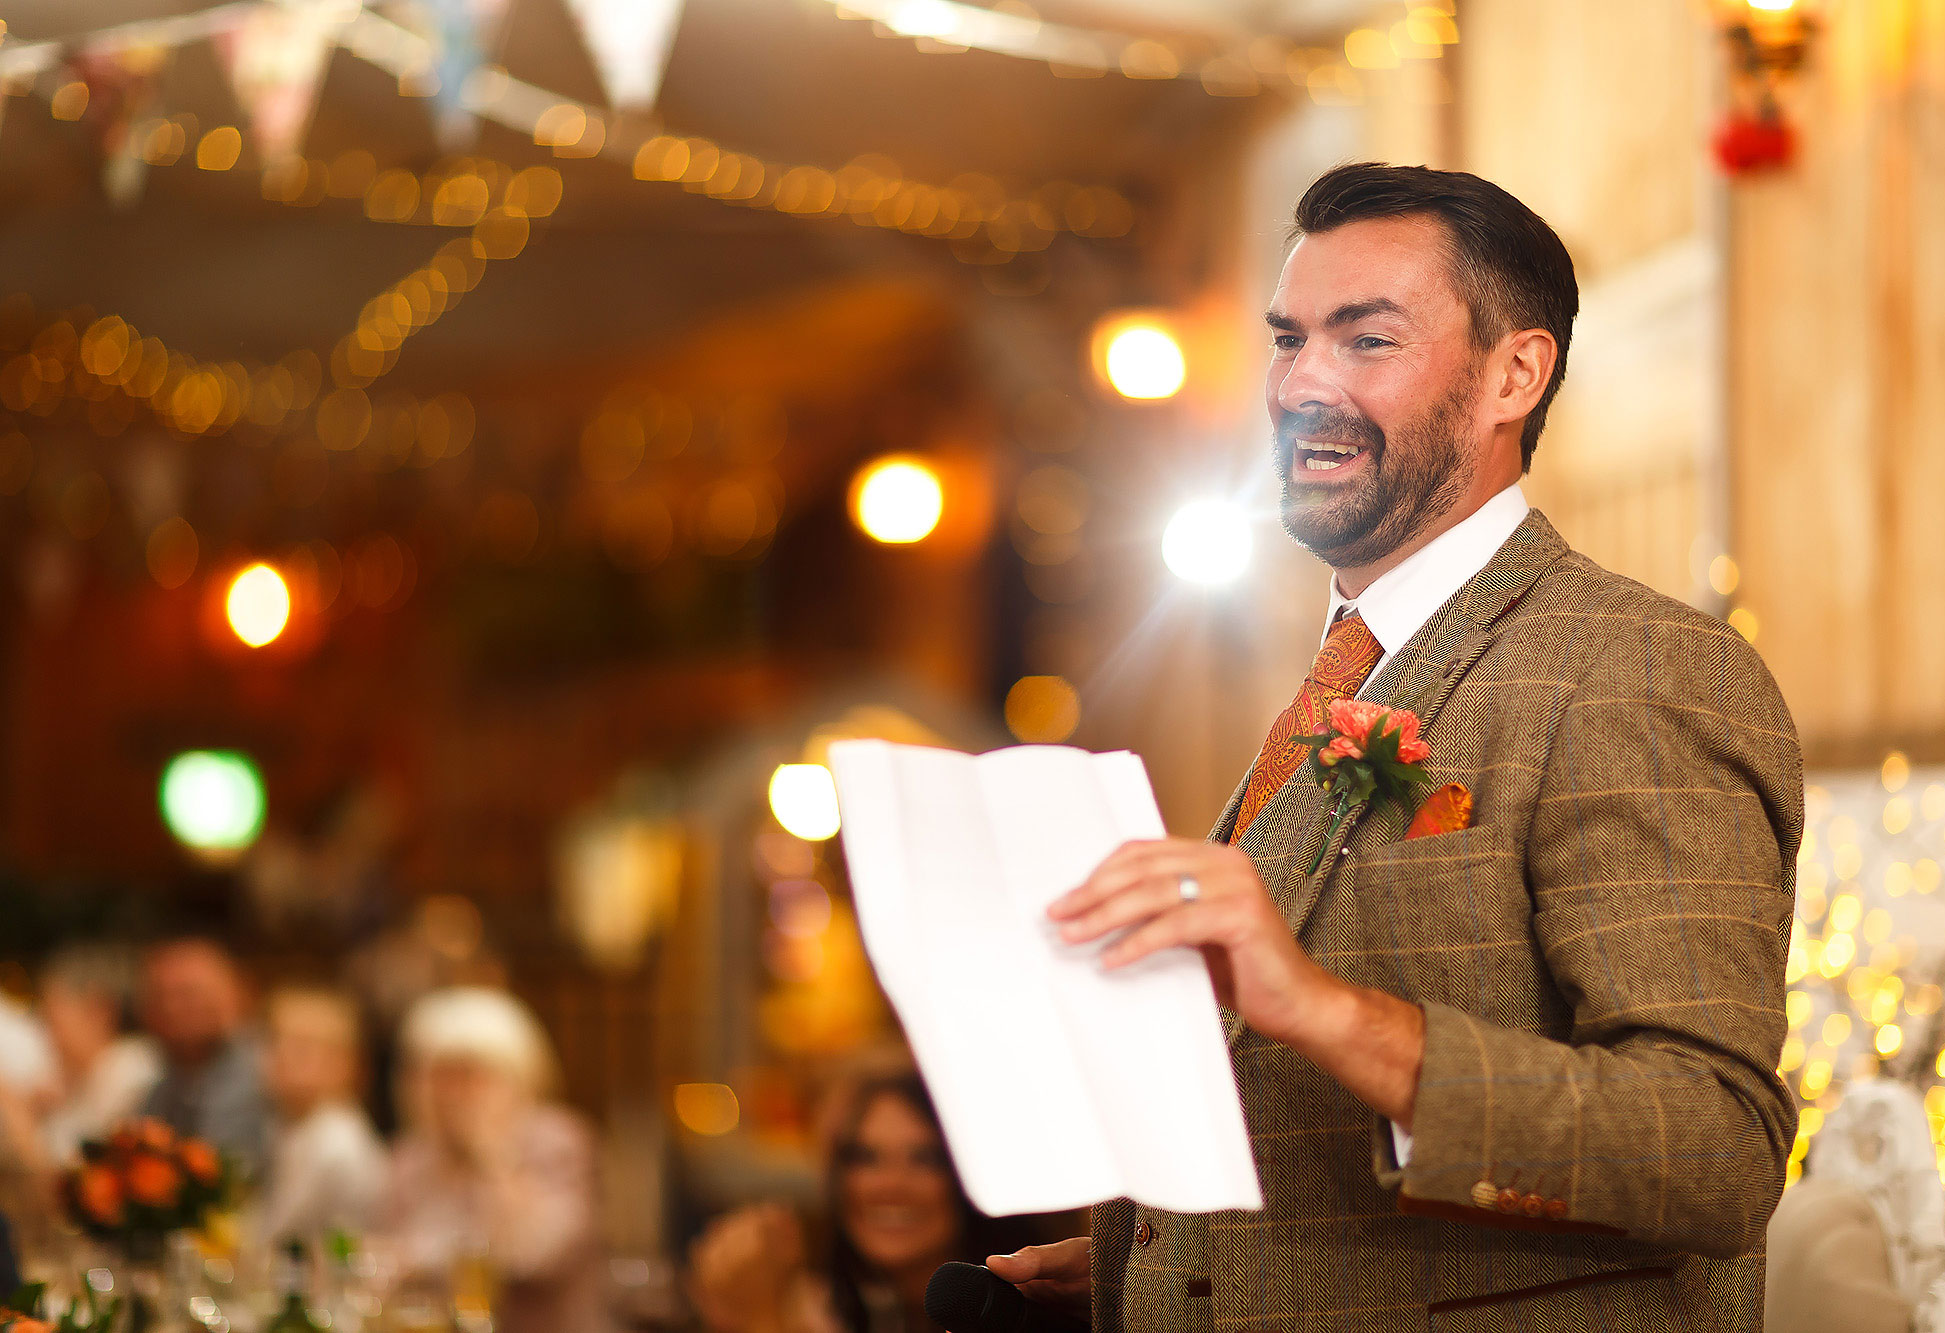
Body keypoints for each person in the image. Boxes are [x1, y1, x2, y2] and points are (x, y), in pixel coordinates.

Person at [989, 163, 1801, 1330]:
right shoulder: (1350, 665)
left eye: (1365, 340)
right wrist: (1155, 1262)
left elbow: (1711, 1151)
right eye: (1287, 338)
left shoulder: (1634, 666)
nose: (1299, 384)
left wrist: (1318, 1006)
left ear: (1511, 374)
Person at [689, 1067, 1048, 1333]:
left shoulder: (1035, 1314)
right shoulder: (828, 1307)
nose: (889, 1185)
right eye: (865, 1158)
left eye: (926, 1158)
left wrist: (762, 1322)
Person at [376, 986, 611, 1333]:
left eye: (470, 1076)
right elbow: (388, 1259)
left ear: (517, 1075)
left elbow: (538, 1257)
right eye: (440, 1076)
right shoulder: (412, 1155)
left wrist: (493, 1156)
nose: (452, 1094)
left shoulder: (558, 1140)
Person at [257, 986, 389, 1247]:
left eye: (302, 1047)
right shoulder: (293, 1126)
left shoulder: (336, 1143)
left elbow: (278, 1240)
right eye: (274, 1041)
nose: (281, 1056)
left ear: (344, 1064)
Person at [136, 937, 270, 1179]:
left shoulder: (264, 1075)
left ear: (235, 994)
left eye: (188, 994)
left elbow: (223, 1182)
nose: (171, 1008)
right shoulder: (164, 1082)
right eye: (159, 995)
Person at [37, 945, 162, 1166]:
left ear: (98, 1010)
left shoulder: (131, 1069)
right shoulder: (90, 1072)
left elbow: (80, 1168)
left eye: (53, 1020)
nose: (48, 1035)